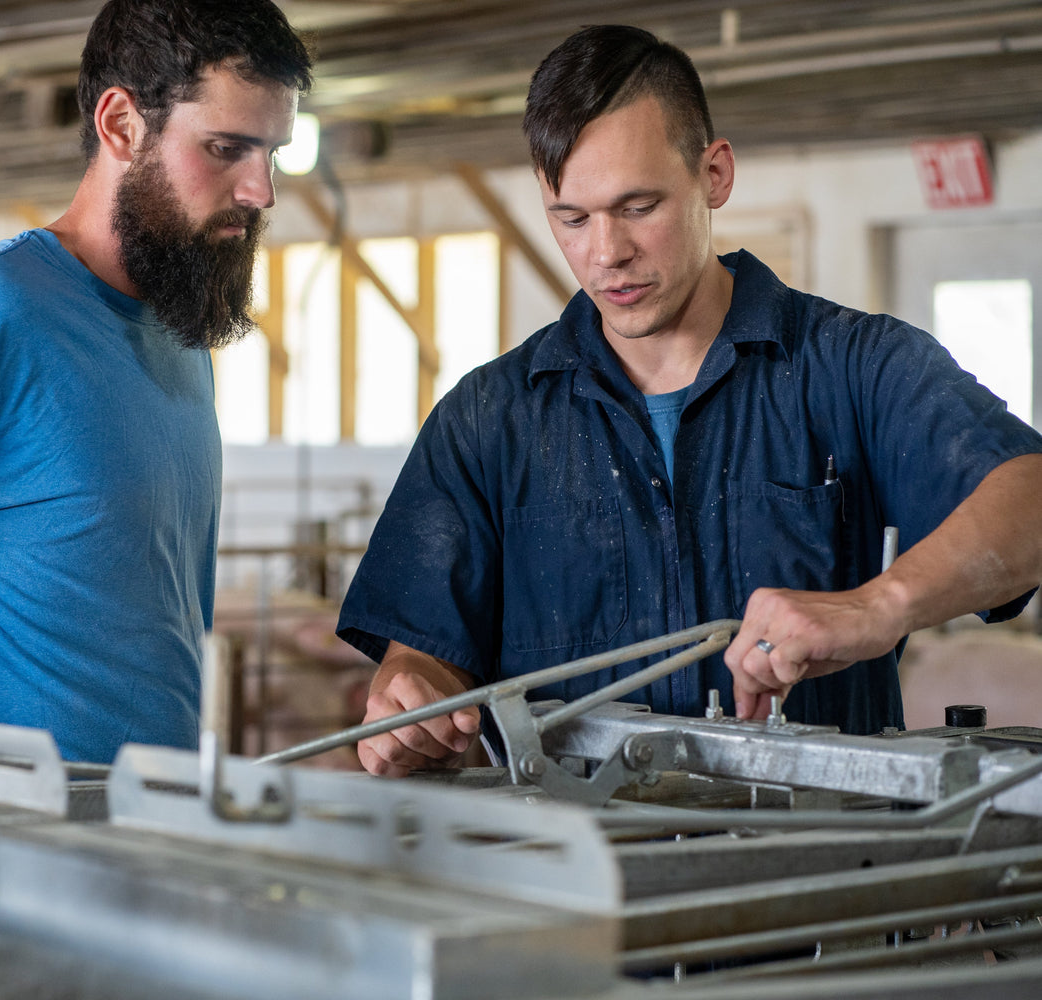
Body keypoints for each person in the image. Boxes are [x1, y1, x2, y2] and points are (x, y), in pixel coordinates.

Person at [335, 24, 1042, 777]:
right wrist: (409, 705)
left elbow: (1027, 493)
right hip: (577, 874)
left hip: (820, 869)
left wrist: (880, 604)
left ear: (715, 174)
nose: (606, 253)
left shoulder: (850, 367)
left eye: (638, 207)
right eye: (570, 218)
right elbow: (425, 660)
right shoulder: (487, 422)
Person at [0, 0, 313, 764]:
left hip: (141, 836)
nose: (261, 190)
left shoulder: (180, 328)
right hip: (6, 847)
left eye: (272, 153)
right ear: (121, 124)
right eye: (227, 148)